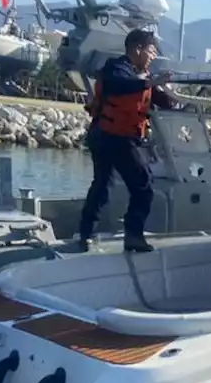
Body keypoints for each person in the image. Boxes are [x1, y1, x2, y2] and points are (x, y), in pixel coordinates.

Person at [77, 29, 179, 253]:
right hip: (112, 137)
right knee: (142, 187)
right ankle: (130, 236)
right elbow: (121, 84)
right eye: (151, 51)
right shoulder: (116, 67)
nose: (153, 56)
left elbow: (162, 100)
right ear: (137, 49)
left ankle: (87, 234)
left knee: (103, 185)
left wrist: (171, 94)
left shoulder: (141, 76)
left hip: (113, 137)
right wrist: (151, 81)